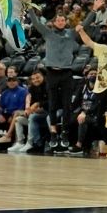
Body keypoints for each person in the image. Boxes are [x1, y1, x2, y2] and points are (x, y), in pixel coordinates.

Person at [28, 9, 79, 151]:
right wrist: (31, 9)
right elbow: (36, 23)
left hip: (67, 73)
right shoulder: (48, 33)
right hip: (51, 72)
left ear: (65, 22)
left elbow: (85, 24)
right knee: (52, 105)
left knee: (67, 105)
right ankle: (53, 134)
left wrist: (93, 10)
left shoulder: (71, 33)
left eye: (63, 20)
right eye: (58, 20)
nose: (61, 22)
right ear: (54, 22)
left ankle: (65, 134)